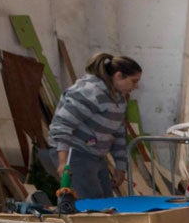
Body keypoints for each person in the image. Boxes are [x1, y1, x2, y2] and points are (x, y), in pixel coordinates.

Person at [49, 52, 141, 200]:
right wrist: (63, 163)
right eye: (134, 81)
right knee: (91, 205)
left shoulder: (119, 101)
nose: (136, 86)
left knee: (105, 201)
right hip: (75, 154)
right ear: (118, 76)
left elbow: (118, 135)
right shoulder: (89, 92)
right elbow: (62, 126)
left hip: (95, 156)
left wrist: (120, 167)